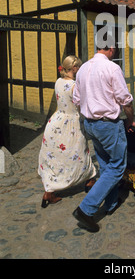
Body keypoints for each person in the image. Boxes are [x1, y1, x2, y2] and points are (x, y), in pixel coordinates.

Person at [72, 45, 135, 233]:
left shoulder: (83, 68)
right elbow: (125, 100)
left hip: (90, 124)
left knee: (106, 164)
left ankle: (111, 202)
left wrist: (90, 111)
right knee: (117, 166)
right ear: (111, 48)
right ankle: (86, 209)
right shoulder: (112, 68)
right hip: (107, 124)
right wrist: (131, 121)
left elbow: (76, 99)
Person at [38, 55, 97, 208]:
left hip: (57, 121)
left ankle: (49, 190)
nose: (79, 69)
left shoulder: (58, 81)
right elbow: (80, 105)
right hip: (72, 123)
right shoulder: (73, 85)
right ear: (73, 68)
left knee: (56, 155)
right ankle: (89, 178)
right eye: (78, 67)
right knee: (79, 152)